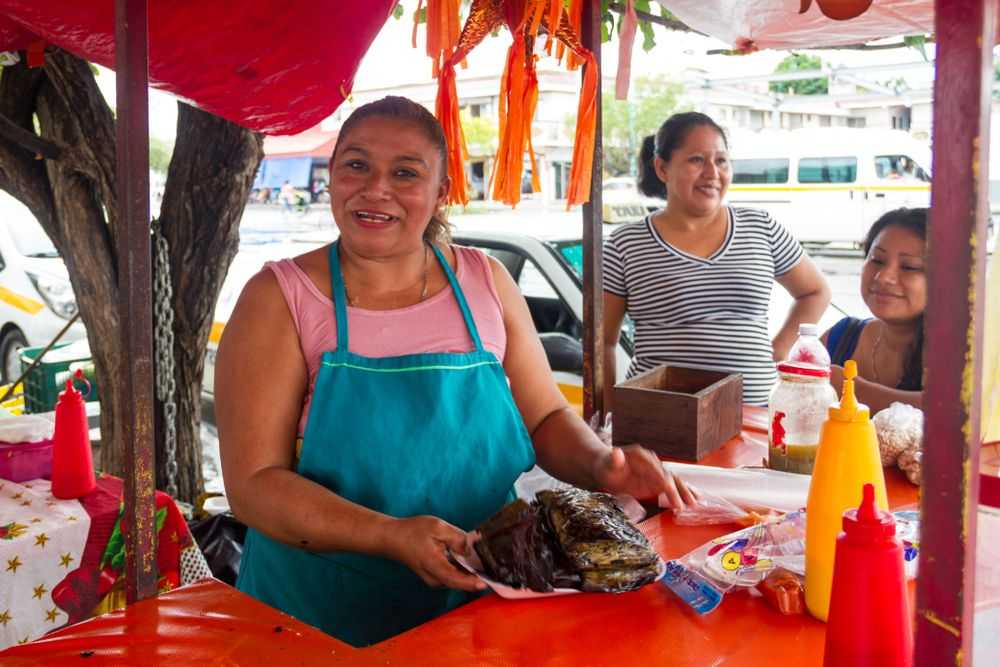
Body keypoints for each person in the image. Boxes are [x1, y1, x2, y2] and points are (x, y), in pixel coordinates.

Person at [215, 96, 694, 647]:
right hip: (321, 618)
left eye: (405, 173)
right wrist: (389, 535)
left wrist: (600, 465)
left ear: (442, 191)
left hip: (483, 604)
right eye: (356, 165)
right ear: (331, 175)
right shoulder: (280, 298)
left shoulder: (485, 281)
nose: (376, 189)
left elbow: (543, 416)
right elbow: (254, 485)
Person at [602, 112, 831, 408]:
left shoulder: (761, 227)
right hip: (661, 420)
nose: (713, 173)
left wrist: (779, 347)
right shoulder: (626, 244)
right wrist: (608, 416)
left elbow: (815, 291)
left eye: (721, 161)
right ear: (661, 168)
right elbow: (603, 342)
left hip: (755, 415)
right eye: (697, 160)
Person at [822, 207, 926, 413]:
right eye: (877, 260)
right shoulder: (841, 337)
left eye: (909, 267)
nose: (883, 277)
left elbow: (957, 414)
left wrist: (853, 389)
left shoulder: (961, 353)